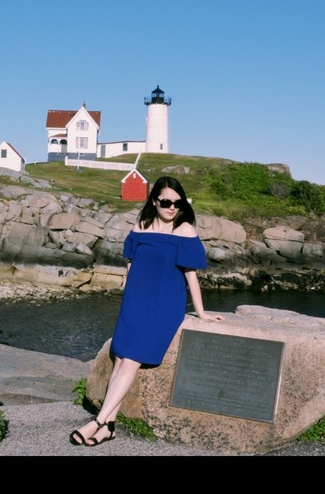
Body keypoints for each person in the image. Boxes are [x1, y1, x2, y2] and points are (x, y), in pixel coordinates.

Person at [69, 176, 225, 447]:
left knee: (130, 361)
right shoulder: (140, 226)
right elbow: (131, 265)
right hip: (136, 302)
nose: (172, 207)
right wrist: (129, 298)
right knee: (120, 359)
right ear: (154, 200)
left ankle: (97, 421)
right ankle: (108, 427)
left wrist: (201, 312)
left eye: (177, 203)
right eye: (166, 202)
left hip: (164, 305)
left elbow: (191, 275)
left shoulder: (185, 230)